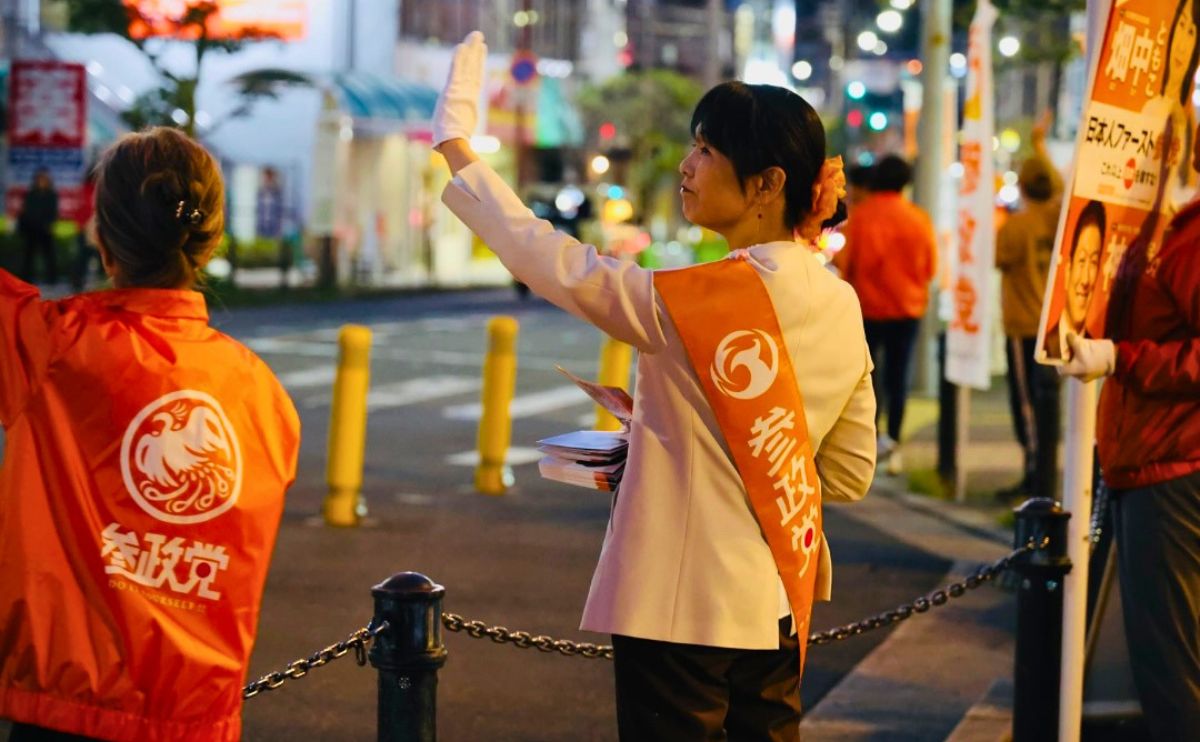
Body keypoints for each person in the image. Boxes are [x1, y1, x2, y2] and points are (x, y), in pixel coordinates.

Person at [433, 32, 874, 741]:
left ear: (766, 184)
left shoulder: (692, 299)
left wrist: (457, 146)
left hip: (676, 607)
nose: (686, 164)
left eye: (706, 150)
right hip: (778, 601)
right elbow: (849, 474)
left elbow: (553, 261)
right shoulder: (840, 302)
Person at [0, 127, 300, 741]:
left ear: (101, 240)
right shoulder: (264, 397)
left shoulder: (53, 346)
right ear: (209, 242)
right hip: (195, 717)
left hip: (61, 707)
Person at [1058, 123, 1200, 741]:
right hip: (1152, 459)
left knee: (1173, 667)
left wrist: (1120, 357)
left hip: (1174, 465)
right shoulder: (1168, 225)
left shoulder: (1191, 234)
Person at [833, 154, 937, 475]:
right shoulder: (919, 219)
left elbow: (842, 264)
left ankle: (872, 437)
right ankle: (894, 437)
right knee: (899, 375)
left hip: (867, 308)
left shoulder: (861, 218)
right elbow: (931, 267)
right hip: (907, 309)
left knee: (869, 377)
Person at [994, 125, 1062, 501]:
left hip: (1023, 325)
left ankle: (1036, 483)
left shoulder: (1016, 226)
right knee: (1047, 405)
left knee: (1027, 407)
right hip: (1053, 325)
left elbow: (999, 259)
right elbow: (1058, 185)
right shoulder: (1059, 217)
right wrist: (1039, 145)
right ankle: (1042, 478)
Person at [17, 169, 59, 286]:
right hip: (31, 229)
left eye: (45, 179)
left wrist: (49, 224)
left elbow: (53, 212)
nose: (42, 181)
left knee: (49, 255)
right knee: (28, 255)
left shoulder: (51, 195)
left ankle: (52, 279)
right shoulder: (30, 194)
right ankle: (26, 279)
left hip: (45, 229)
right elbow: (26, 212)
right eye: (40, 179)